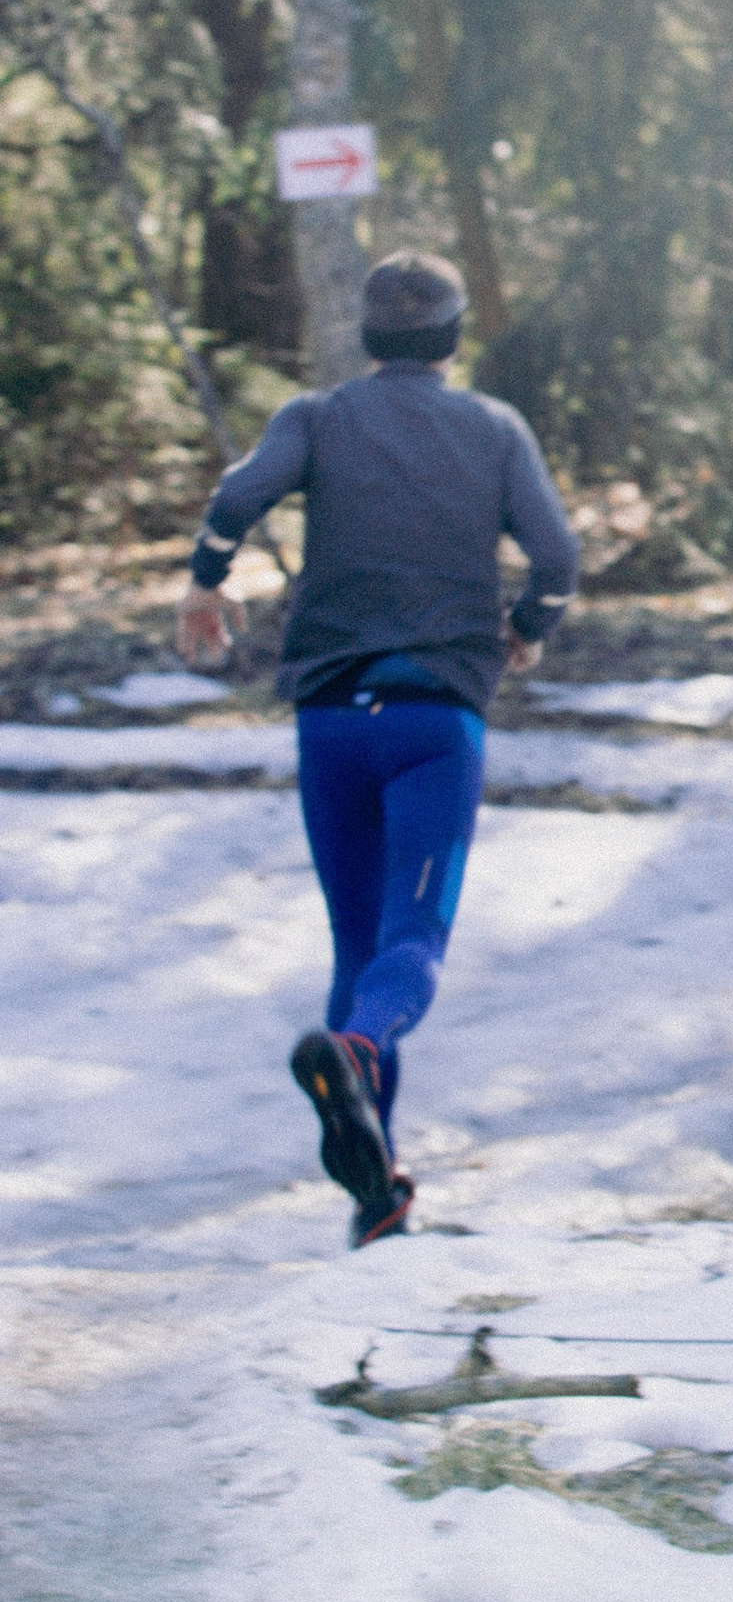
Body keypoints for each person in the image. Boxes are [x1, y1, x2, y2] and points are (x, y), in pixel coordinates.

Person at [175, 251, 579, 1246]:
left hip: (329, 717)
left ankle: (376, 1189)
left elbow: (236, 499)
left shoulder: (314, 418)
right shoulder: (492, 429)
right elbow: (558, 555)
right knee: (410, 945)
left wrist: (205, 580)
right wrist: (528, 623)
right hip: (435, 718)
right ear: (451, 339)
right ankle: (354, 1059)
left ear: (367, 336)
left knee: (355, 946)